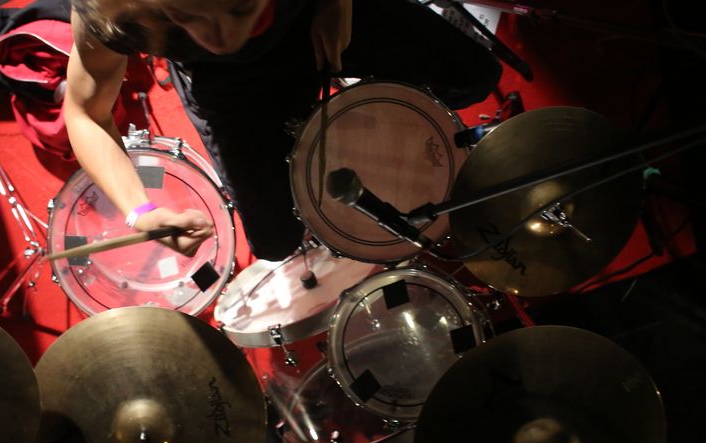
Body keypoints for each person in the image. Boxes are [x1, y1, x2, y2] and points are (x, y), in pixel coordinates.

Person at [64, 0, 501, 261]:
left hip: (310, 14)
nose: (222, 37)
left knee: (474, 77)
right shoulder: (112, 11)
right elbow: (85, 114)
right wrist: (140, 211)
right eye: (183, 17)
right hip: (226, 80)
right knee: (275, 244)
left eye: (238, 7)